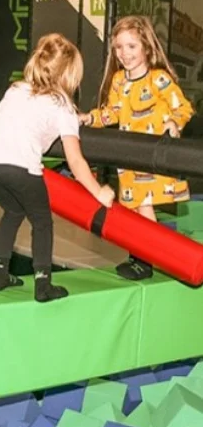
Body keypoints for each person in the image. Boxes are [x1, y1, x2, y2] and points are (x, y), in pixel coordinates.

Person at [0, 33, 115, 303]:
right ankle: (43, 284)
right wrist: (98, 192)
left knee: (13, 211)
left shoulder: (16, 89)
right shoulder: (61, 104)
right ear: (68, 76)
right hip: (20, 166)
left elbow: (17, 121)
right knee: (42, 222)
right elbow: (75, 160)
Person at [79, 15, 193, 281]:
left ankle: (146, 260)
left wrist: (174, 124)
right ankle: (143, 257)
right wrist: (90, 118)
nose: (124, 53)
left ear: (146, 48)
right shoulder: (119, 81)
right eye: (119, 47)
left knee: (144, 210)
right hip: (129, 161)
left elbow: (183, 107)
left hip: (152, 158)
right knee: (134, 210)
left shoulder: (159, 79)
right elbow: (112, 113)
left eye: (131, 46)